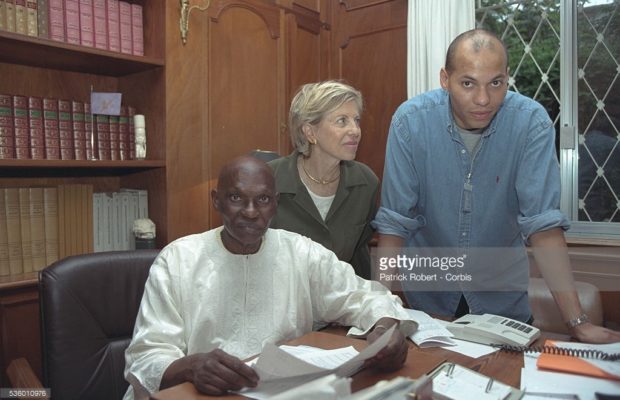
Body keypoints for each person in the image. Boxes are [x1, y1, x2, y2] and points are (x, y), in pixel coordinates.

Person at [372, 28, 620, 343]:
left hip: (504, 307)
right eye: (467, 83)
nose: (483, 99)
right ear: (445, 79)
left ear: (507, 78)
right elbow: (394, 223)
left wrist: (577, 323)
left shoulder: (532, 123)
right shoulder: (410, 122)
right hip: (429, 305)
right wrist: (379, 311)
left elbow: (543, 227)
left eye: (496, 83)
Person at [123, 156, 416, 399]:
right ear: (217, 200)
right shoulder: (178, 259)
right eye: (236, 198)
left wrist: (386, 329)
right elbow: (146, 357)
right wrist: (189, 367)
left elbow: (364, 296)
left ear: (275, 204)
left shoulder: (300, 252)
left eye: (262, 199)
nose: (251, 212)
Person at [268, 81, 378, 279]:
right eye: (342, 121)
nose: (355, 130)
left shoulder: (366, 183)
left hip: (340, 301)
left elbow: (360, 256)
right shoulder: (270, 180)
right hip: (283, 299)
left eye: (357, 120)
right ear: (310, 132)